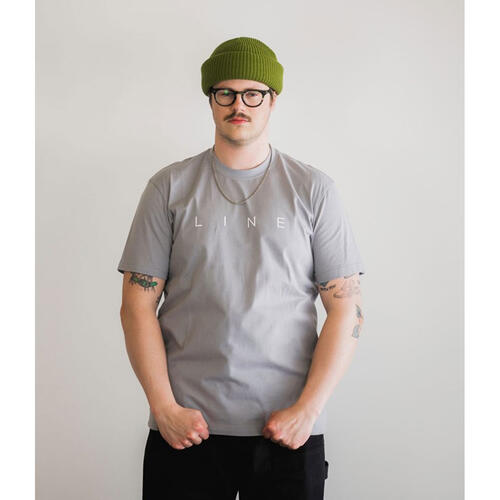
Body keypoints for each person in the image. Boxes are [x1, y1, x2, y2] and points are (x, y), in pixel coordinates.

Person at [117, 36, 366, 500]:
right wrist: (164, 408)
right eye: (225, 93)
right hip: (186, 428)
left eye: (253, 93)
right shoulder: (168, 188)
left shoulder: (314, 190)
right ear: (210, 99)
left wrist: (307, 411)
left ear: (273, 99)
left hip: (288, 430)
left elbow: (346, 310)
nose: (238, 105)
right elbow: (136, 306)